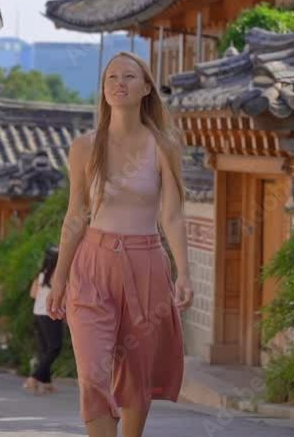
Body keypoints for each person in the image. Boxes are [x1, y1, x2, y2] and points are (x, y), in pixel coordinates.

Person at [47, 51, 194, 437]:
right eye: (111, 77)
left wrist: (184, 274)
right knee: (92, 374)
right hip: (92, 265)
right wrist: (59, 278)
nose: (118, 83)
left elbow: (173, 216)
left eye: (129, 76)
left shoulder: (164, 146)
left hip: (147, 265)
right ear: (103, 89)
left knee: (135, 378)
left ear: (146, 88)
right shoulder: (84, 146)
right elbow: (75, 215)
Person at [24, 245, 63, 395]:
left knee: (45, 349)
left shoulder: (41, 275)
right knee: (55, 348)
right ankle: (34, 378)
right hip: (50, 314)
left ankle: (46, 383)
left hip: (38, 314)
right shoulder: (57, 276)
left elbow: (33, 294)